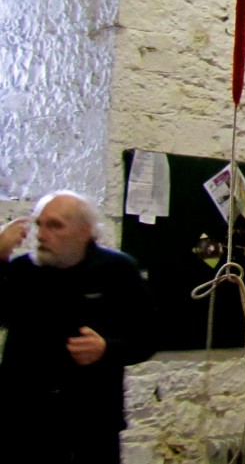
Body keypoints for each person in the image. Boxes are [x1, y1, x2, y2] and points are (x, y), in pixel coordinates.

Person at [0, 190, 157, 464]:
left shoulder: (117, 270)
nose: (41, 234)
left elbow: (148, 339)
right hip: (24, 419)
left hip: (90, 420)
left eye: (55, 225)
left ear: (84, 230)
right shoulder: (23, 271)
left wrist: (107, 349)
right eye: (39, 224)